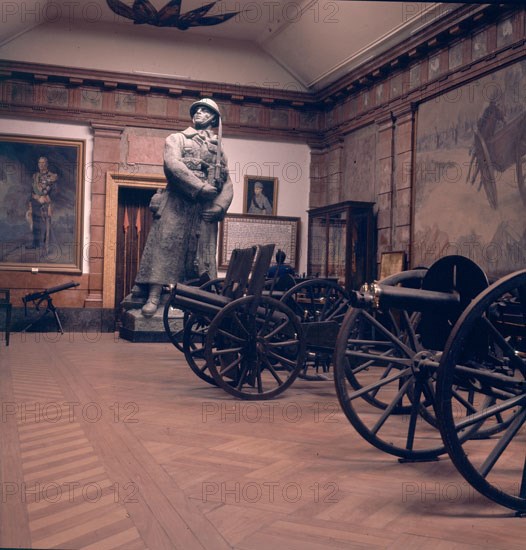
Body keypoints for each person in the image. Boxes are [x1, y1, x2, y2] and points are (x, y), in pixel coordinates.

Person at [133, 98, 233, 317]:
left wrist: (220, 207)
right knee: (164, 246)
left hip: (203, 209)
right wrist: (198, 187)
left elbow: (226, 180)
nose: (198, 112)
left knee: (199, 256)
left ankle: (192, 302)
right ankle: (154, 296)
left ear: (213, 119)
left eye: (205, 111)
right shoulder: (176, 138)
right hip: (177, 203)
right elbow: (173, 165)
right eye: (197, 109)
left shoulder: (218, 148)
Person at [26, 156, 57, 252]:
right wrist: (35, 199)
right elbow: (31, 191)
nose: (41, 164)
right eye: (39, 163)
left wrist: (47, 199)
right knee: (35, 222)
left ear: (47, 164)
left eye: (43, 163)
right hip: (36, 201)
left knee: (46, 224)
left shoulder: (52, 176)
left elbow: (55, 191)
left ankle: (46, 245)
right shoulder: (35, 176)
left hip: (46, 202)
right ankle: (35, 244)